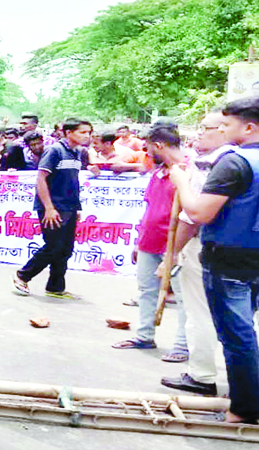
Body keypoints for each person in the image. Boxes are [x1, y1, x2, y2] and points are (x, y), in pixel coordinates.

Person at [170, 95, 259, 424]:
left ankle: (243, 409)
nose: (222, 129)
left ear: (248, 126)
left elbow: (199, 212)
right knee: (244, 329)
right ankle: (247, 397)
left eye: (227, 124)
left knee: (236, 335)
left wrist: (181, 182)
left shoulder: (235, 162)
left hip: (230, 260)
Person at [157, 111, 237, 396]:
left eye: (206, 128)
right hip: (244, 250)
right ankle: (245, 379)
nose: (199, 134)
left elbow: (193, 216)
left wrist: (172, 255)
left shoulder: (216, 164)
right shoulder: (252, 161)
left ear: (226, 129)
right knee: (238, 317)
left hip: (208, 246)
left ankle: (201, 375)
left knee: (200, 313)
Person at [111, 122, 188, 362]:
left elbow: (190, 214)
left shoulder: (188, 172)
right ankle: (144, 335)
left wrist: (175, 251)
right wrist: (137, 240)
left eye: (148, 148)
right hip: (149, 241)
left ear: (159, 145)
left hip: (176, 244)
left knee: (185, 297)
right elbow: (149, 208)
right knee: (146, 291)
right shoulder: (158, 173)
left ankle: (182, 346)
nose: (146, 153)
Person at [12, 118, 93, 299]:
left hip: (69, 207)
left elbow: (72, 181)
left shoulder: (78, 153)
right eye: (82, 132)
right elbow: (41, 179)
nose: (87, 136)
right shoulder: (55, 150)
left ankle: (55, 287)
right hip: (52, 206)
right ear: (68, 132)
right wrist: (49, 208)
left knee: (66, 248)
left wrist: (76, 207)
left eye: (89, 132)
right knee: (53, 246)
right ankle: (23, 275)